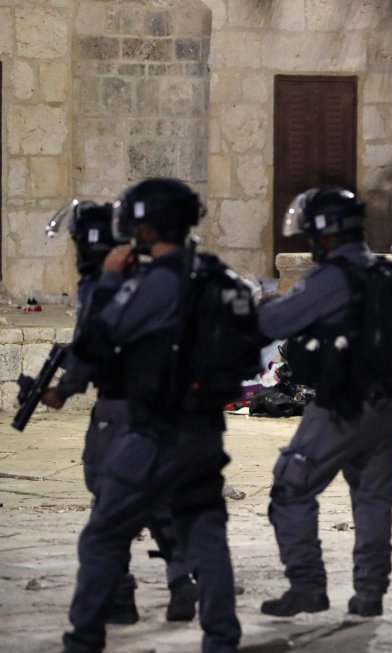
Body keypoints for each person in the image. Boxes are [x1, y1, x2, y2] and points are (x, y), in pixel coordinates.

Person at [65, 178, 241, 653]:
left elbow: (94, 342)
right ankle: (221, 638)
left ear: (148, 227)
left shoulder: (150, 283)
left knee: (103, 532)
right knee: (206, 535)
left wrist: (109, 281)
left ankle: (85, 638)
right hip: (205, 430)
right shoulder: (216, 275)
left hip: (153, 429)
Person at [258, 187, 392, 619]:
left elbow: (275, 322)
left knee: (290, 488)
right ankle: (370, 593)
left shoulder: (332, 277)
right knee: (372, 499)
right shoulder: (386, 273)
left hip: (341, 405)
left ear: (326, 235)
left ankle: (307, 586)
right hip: (388, 406)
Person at [42, 200, 197, 626]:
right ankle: (181, 579)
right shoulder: (154, 281)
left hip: (119, 412)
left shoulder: (102, 289)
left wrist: (63, 390)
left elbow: (90, 347)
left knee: (109, 502)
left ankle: (119, 597)